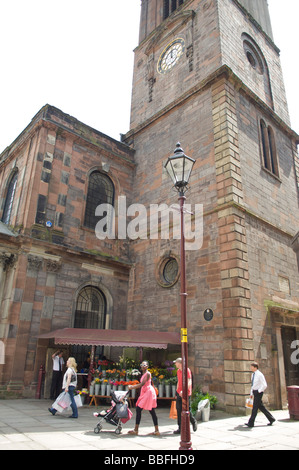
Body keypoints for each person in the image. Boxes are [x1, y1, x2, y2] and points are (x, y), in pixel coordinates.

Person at [127, 360, 160, 436]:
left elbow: (142, 384)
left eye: (144, 365)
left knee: (145, 409)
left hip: (148, 392)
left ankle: (137, 430)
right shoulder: (144, 373)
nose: (142, 366)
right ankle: (156, 430)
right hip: (145, 392)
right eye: (142, 365)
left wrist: (132, 387)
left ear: (147, 366)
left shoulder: (148, 373)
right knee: (147, 410)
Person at [245, 361, 275, 428]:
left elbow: (264, 385)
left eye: (251, 367)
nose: (250, 368)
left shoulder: (259, 374)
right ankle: (271, 419)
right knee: (261, 407)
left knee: (255, 408)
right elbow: (253, 385)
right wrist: (251, 393)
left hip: (259, 392)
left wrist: (259, 391)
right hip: (254, 391)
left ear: (255, 367)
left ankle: (251, 423)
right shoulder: (253, 374)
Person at [173, 357, 197, 434]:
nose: (175, 364)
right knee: (178, 409)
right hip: (179, 392)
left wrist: (184, 390)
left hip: (186, 393)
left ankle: (193, 421)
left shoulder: (187, 370)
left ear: (179, 363)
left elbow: (189, 381)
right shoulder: (178, 371)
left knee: (187, 409)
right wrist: (177, 392)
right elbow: (178, 382)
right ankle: (180, 428)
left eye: (176, 362)